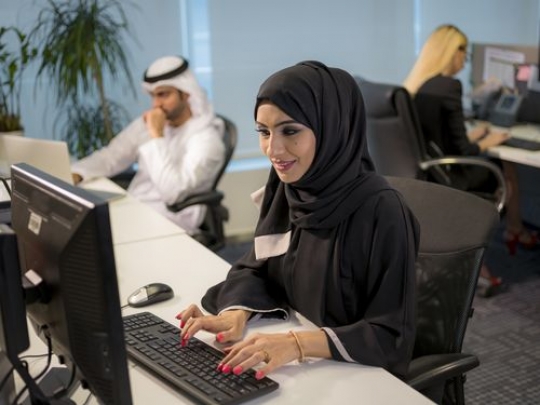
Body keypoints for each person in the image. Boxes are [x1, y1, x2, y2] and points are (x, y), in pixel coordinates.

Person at [177, 61, 420, 380]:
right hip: (304, 371)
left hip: (358, 378)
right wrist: (237, 312)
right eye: (264, 132)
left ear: (332, 127)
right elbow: (258, 267)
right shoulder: (289, 189)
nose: (273, 150)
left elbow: (391, 335)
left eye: (290, 131)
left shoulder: (381, 211)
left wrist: (296, 344)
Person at [403, 24, 538, 295]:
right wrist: (488, 140)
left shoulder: (420, 86)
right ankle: (513, 231)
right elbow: (465, 149)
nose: (464, 63)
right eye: (463, 56)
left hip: (433, 172)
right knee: (504, 166)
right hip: (455, 173)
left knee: (503, 163)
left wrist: (475, 135)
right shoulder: (449, 86)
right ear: (452, 52)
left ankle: (514, 230)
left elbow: (441, 137)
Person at [71, 55, 225, 234]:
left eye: (164, 95)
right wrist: (77, 173)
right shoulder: (154, 122)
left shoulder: (206, 139)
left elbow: (172, 193)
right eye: (153, 96)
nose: (156, 104)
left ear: (186, 93)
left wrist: (156, 136)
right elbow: (112, 155)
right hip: (137, 206)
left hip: (173, 220)